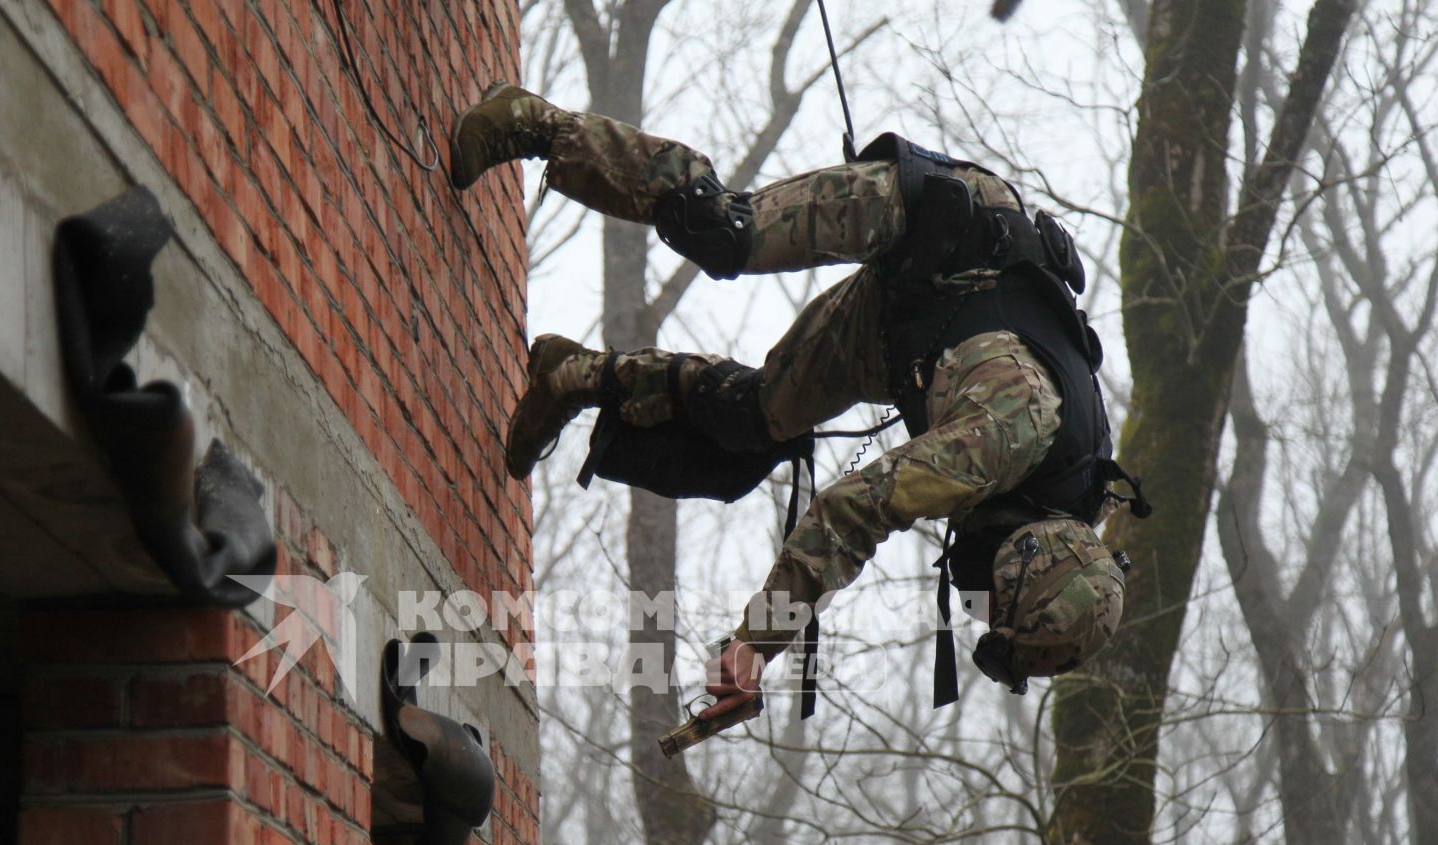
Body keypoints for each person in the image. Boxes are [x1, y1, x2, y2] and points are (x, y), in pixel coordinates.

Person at [450, 82, 1148, 716]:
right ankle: (534, 124)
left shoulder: (1065, 501)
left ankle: (571, 375)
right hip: (928, 228)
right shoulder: (1009, 438)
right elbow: (855, 510)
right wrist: (755, 645)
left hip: (903, 333)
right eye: (992, 599)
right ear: (1027, 558)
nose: (975, 597)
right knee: (725, 230)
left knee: (751, 418)